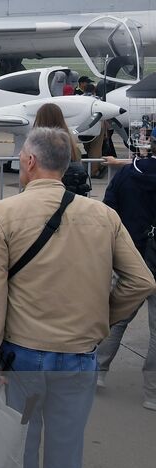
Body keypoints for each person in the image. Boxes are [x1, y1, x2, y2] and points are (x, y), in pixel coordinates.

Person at [0, 128, 155, 468]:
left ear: (31, 163)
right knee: (63, 461)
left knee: (19, 452)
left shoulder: (3, 213)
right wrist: (101, 319)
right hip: (77, 356)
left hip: (23, 356)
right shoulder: (102, 216)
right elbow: (140, 281)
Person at [95, 154, 156, 404]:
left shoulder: (128, 173)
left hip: (131, 255)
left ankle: (97, 370)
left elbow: (109, 210)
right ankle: (152, 392)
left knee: (118, 316)